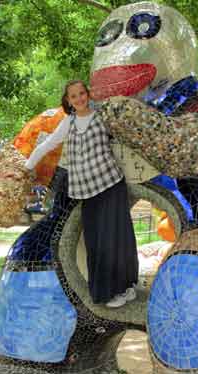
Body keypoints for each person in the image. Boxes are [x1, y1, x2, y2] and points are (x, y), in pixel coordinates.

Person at [25, 80, 139, 308]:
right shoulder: (69, 122)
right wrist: (27, 167)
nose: (79, 98)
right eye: (73, 96)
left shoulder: (102, 117)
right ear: (68, 101)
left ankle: (126, 288)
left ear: (88, 94)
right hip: (88, 192)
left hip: (111, 184)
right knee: (97, 243)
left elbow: (125, 137)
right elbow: (48, 144)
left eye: (81, 94)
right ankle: (108, 292)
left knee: (118, 237)